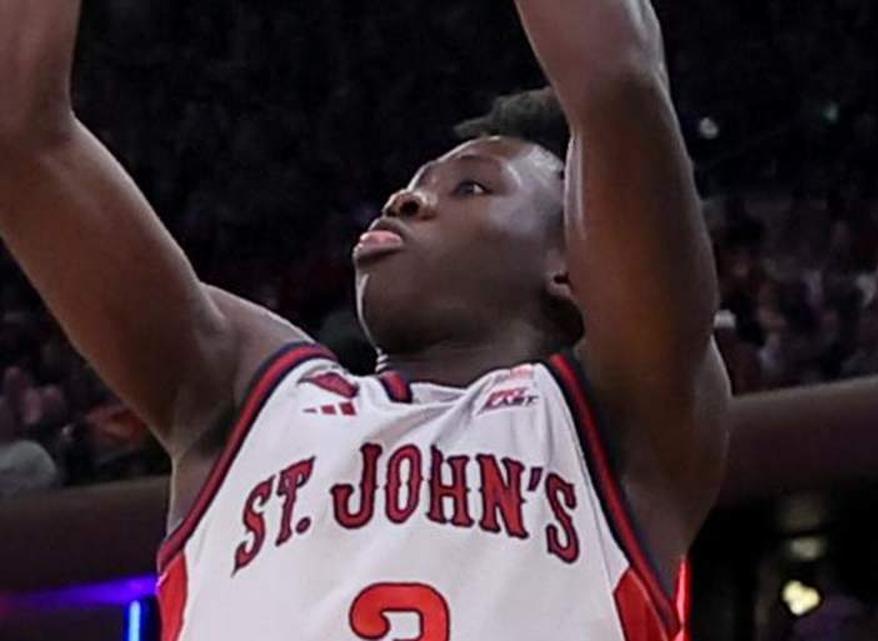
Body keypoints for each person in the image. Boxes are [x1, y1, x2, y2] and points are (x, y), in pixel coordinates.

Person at [0, 0, 729, 639]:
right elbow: (18, 135)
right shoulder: (247, 392)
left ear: (572, 266)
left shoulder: (618, 414)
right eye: (409, 186)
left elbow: (617, 82)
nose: (406, 201)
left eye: (470, 187)